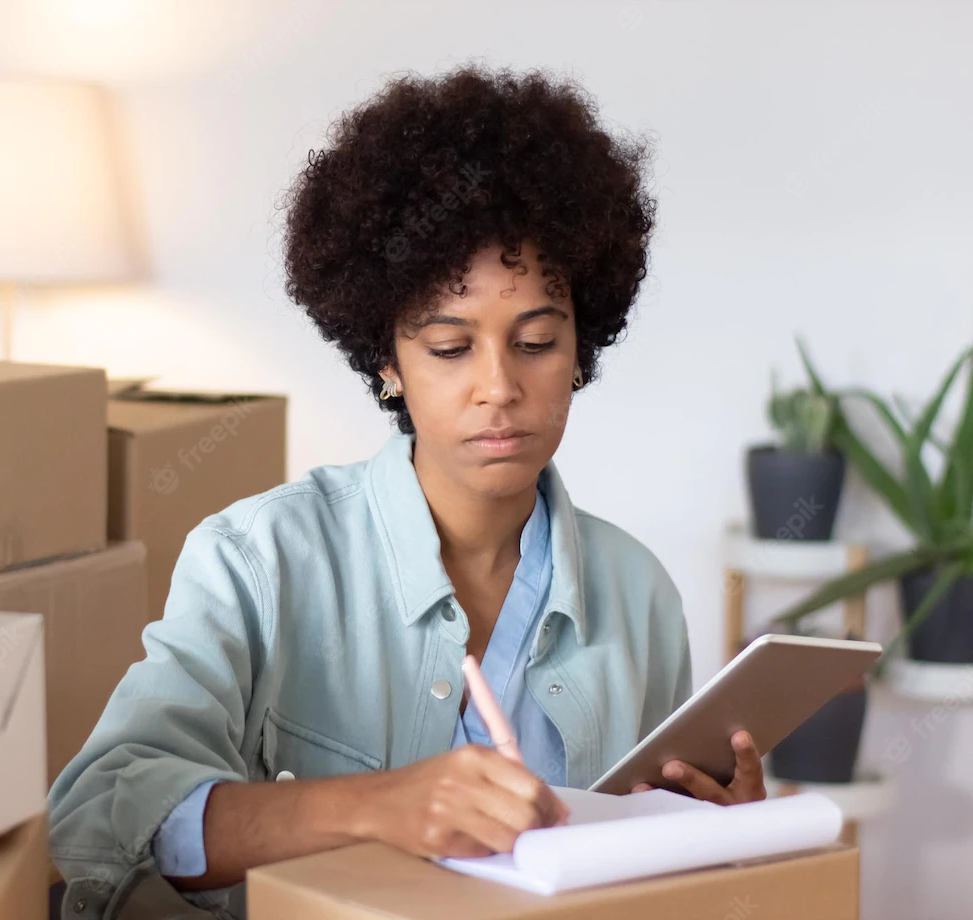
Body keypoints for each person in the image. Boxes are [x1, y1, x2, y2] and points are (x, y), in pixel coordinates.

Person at [47, 63, 765, 920]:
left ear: (582, 347)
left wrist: (717, 840)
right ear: (387, 362)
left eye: (536, 340)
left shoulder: (637, 592)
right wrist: (372, 808)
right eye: (450, 348)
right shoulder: (260, 561)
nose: (498, 386)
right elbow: (97, 818)